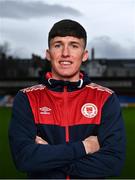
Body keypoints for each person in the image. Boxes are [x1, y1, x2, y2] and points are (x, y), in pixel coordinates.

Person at [9, 19, 126, 179]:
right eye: (58, 45)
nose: (65, 53)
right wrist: (84, 147)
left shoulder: (105, 98)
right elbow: (25, 159)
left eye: (74, 45)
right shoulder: (27, 98)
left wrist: (48, 158)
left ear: (84, 55)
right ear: (48, 54)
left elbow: (113, 163)